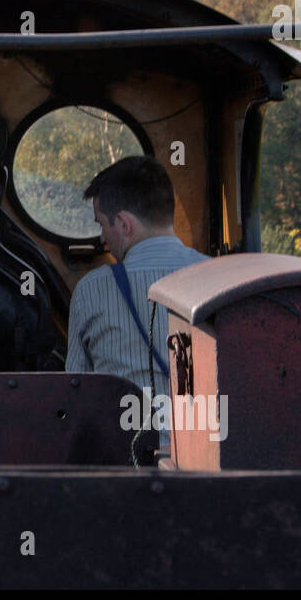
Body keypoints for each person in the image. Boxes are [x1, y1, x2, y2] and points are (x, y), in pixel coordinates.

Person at [65, 155, 208, 444]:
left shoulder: (91, 289)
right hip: (206, 451)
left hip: (126, 458)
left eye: (102, 225)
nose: (103, 237)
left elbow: (75, 390)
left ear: (124, 224)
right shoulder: (220, 276)